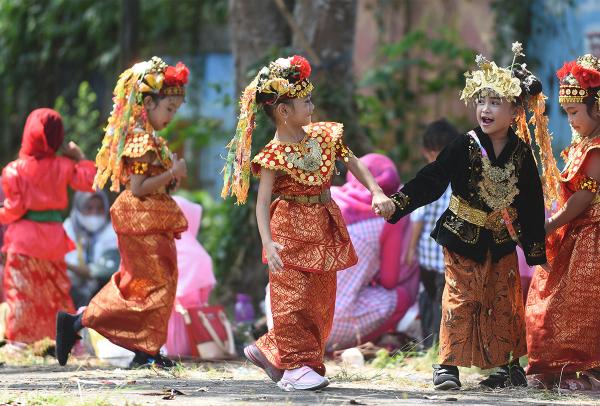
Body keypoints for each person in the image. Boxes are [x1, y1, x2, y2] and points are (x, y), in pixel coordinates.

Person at [221, 55, 395, 391]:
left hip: (324, 224)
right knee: (291, 299)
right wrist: (268, 242)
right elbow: (261, 204)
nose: (312, 106)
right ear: (284, 111)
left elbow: (353, 161)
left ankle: (285, 356)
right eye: (305, 101)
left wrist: (375, 191)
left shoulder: (325, 136)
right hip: (287, 229)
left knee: (320, 299)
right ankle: (293, 368)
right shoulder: (272, 155)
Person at [386, 45, 555, 390]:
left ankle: (508, 367)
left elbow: (531, 202)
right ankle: (447, 366)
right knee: (461, 297)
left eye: (495, 102)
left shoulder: (521, 154)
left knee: (503, 300)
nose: (485, 109)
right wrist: (398, 203)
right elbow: (432, 180)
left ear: (514, 111)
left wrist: (536, 250)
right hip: (461, 234)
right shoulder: (463, 145)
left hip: (501, 237)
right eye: (481, 101)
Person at [55, 56, 190, 369]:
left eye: (175, 110)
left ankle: (146, 349)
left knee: (157, 284)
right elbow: (139, 186)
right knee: (143, 286)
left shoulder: (152, 139)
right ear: (148, 103)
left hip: (152, 219)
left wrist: (171, 177)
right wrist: (171, 174)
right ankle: (78, 321)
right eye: (168, 108)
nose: (171, 116)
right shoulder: (141, 140)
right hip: (140, 220)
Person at [526, 54, 600, 390]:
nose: (569, 120)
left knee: (580, 306)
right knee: (559, 303)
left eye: (574, 113)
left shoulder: (596, 149)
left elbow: (583, 200)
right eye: (567, 113)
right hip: (576, 234)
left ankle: (587, 370)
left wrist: (549, 224)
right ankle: (564, 369)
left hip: (591, 238)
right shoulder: (581, 144)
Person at [0, 108, 96, 343]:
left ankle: (20, 342)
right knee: (54, 292)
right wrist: (80, 157)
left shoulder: (14, 170)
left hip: (24, 240)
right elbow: (89, 182)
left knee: (22, 292)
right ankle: (57, 339)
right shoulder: (64, 166)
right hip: (53, 240)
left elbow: (15, 209)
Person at [326, 153, 419, 352]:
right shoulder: (388, 217)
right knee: (401, 296)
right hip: (332, 329)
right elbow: (389, 281)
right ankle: (357, 344)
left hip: (288, 320)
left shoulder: (329, 198)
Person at [405, 119, 458, 349]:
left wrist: (409, 250)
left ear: (431, 153)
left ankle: (431, 345)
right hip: (451, 257)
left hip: (428, 257)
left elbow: (417, 218)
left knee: (429, 298)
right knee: (448, 300)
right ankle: (447, 345)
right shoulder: (461, 179)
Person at [165, 195, 215, 358]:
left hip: (160, 332)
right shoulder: (196, 252)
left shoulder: (159, 245)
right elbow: (204, 293)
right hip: (191, 333)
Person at [63, 191, 119, 309]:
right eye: (89, 208)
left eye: (99, 208)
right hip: (70, 294)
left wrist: (63, 264)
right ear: (79, 208)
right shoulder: (68, 229)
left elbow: (104, 271)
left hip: (103, 298)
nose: (95, 213)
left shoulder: (113, 231)